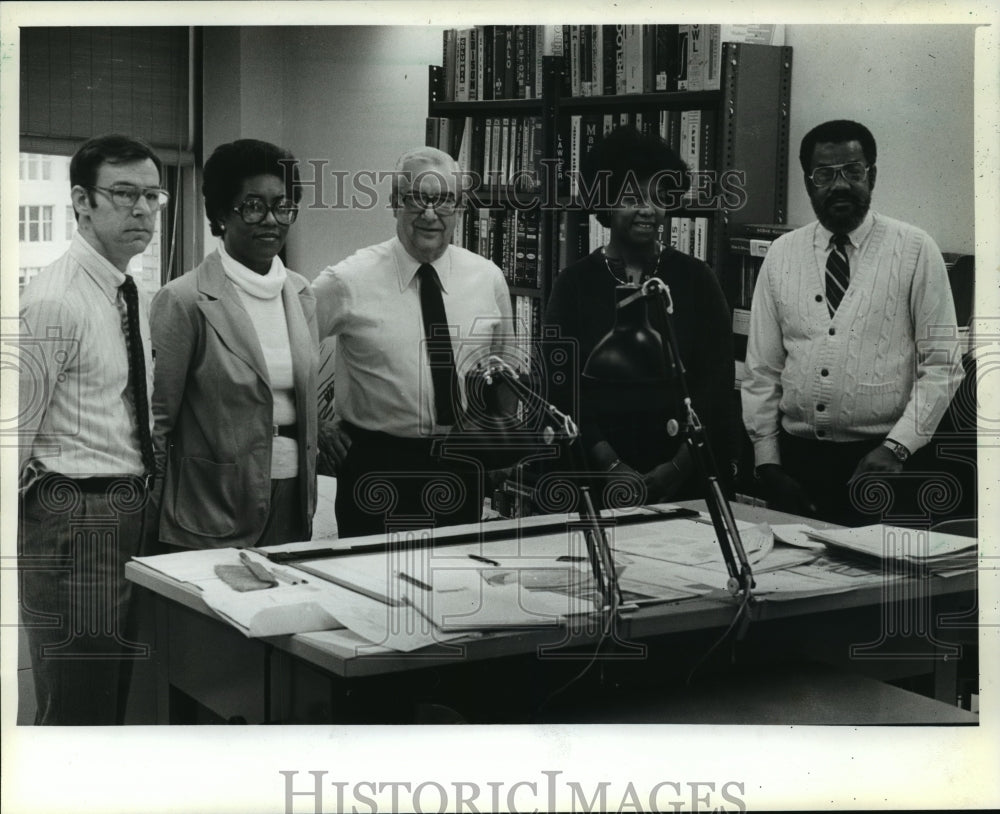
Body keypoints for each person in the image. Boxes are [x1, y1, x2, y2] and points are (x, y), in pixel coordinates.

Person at [741, 119, 965, 526]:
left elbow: (942, 367)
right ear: (809, 184)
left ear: (872, 175)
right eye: (824, 175)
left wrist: (897, 447)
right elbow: (762, 370)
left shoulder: (916, 250)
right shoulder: (780, 255)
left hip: (885, 463)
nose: (839, 185)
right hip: (797, 464)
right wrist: (767, 461)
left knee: (876, 585)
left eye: (853, 172)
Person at [18, 133, 165, 724]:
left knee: (110, 696)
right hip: (74, 517)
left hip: (127, 510)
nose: (142, 210)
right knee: (79, 705)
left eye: (153, 196)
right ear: (81, 201)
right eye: (124, 194)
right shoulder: (55, 300)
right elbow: (13, 436)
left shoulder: (128, 293)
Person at [312, 146, 513, 537]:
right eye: (417, 198)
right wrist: (317, 426)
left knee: (457, 588)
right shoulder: (346, 281)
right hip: (376, 465)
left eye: (444, 200)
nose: (430, 213)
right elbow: (291, 350)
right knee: (368, 590)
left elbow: (504, 373)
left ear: (459, 206)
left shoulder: (487, 279)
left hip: (460, 465)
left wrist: (501, 449)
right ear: (394, 202)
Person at [543, 126, 735, 509]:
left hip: (686, 474)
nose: (647, 209)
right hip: (596, 476)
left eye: (657, 196)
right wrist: (610, 464)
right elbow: (561, 389)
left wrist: (678, 468)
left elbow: (716, 386)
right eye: (632, 197)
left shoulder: (697, 278)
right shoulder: (574, 284)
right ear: (607, 205)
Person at [150, 139, 318, 549]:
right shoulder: (184, 299)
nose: (271, 220)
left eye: (282, 205)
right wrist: (149, 520)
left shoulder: (300, 293)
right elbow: (159, 423)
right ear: (222, 213)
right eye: (253, 206)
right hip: (212, 504)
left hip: (293, 499)